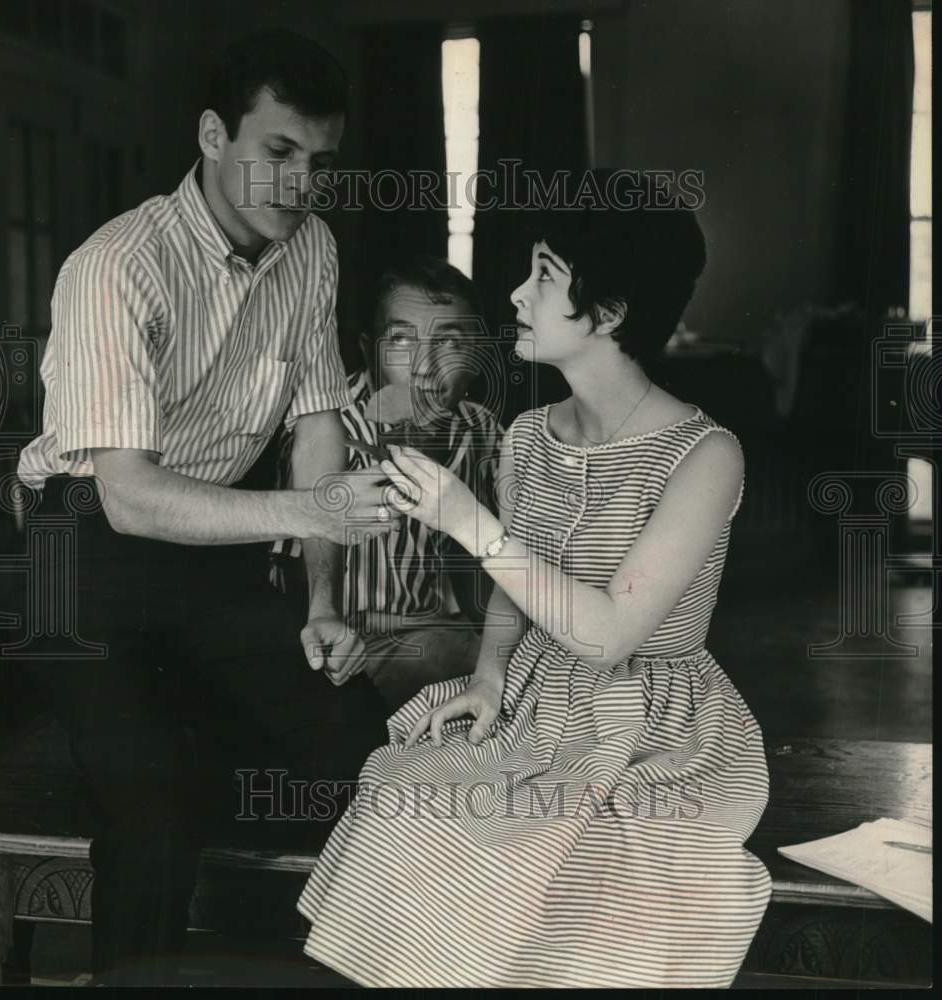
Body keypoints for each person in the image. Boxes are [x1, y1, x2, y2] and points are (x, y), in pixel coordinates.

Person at [297, 173, 772, 987]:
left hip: (654, 723)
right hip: (537, 698)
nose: (516, 294)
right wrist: (486, 678)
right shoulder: (528, 434)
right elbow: (516, 592)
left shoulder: (706, 455)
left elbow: (609, 633)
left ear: (610, 313)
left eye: (544, 276)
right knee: (405, 798)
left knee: (588, 878)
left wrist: (462, 519)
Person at [13, 29, 401, 986]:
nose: (301, 183)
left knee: (366, 763)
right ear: (213, 134)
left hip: (216, 550)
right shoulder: (114, 268)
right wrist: (310, 516)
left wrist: (320, 604)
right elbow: (133, 498)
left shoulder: (311, 250)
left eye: (320, 161)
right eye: (278, 152)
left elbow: (318, 428)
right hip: (87, 550)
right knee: (159, 804)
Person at [272, 256, 503, 709]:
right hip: (342, 648)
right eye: (400, 341)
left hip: (441, 634)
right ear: (366, 349)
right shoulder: (326, 432)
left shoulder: (481, 431)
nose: (425, 366)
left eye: (450, 344)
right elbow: (290, 577)